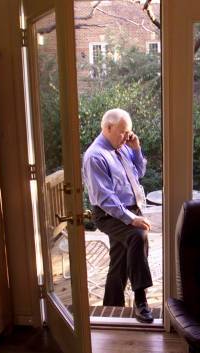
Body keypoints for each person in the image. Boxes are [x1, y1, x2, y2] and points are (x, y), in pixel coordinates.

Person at [82, 108, 154, 323]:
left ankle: (111, 308)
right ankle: (141, 301)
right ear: (108, 128)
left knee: (119, 262)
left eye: (129, 132)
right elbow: (104, 198)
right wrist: (132, 219)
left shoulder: (122, 147)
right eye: (123, 132)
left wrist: (136, 149)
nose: (126, 136)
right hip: (108, 213)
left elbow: (139, 173)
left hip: (130, 209)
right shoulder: (95, 156)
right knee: (137, 236)